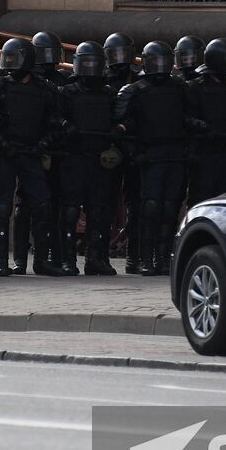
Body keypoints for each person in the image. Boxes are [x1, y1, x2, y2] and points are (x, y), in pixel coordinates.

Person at [0, 38, 65, 277]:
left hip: (31, 153)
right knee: (1, 207)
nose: (8, 62)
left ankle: (40, 261)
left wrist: (43, 144)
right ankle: (1, 261)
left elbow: (54, 121)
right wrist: (2, 143)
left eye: (13, 57)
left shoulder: (44, 88)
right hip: (4, 153)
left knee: (42, 205)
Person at [115, 41, 194, 277]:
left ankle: (164, 257)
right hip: (149, 156)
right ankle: (144, 257)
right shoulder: (135, 91)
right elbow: (120, 129)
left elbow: (187, 119)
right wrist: (134, 154)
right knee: (149, 208)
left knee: (170, 208)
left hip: (174, 154)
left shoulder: (180, 88)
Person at [54, 41, 116, 276]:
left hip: (99, 159)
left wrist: (117, 130)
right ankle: (68, 259)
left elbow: (120, 118)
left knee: (99, 211)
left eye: (94, 62)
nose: (90, 67)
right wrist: (65, 125)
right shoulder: (67, 92)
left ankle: (96, 258)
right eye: (86, 62)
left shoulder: (108, 93)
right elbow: (53, 118)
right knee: (70, 211)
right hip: (74, 158)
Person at [185, 39, 226, 204]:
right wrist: (203, 127)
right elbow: (184, 117)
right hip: (204, 153)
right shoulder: (195, 88)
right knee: (201, 200)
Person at [102, 32, 139, 271]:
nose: (120, 59)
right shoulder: (102, 81)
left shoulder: (138, 81)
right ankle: (100, 256)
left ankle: (134, 256)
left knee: (138, 203)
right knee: (103, 204)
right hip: (110, 148)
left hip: (135, 147)